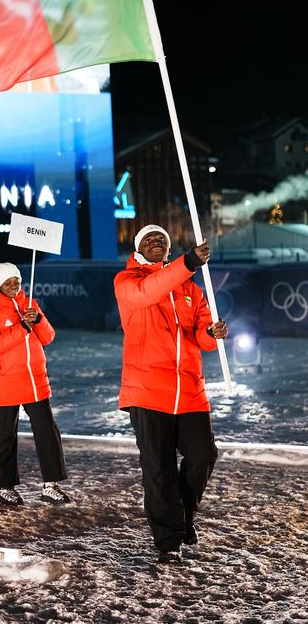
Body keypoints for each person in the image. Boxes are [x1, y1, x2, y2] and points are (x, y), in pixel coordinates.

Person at [114, 224, 229, 565]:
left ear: (168, 248)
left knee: (203, 455)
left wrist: (211, 333)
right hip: (147, 391)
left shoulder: (191, 289)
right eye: (148, 239)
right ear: (137, 248)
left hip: (189, 389)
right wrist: (187, 263)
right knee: (159, 469)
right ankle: (168, 542)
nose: (155, 243)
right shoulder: (127, 282)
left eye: (161, 240)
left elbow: (202, 338)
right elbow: (149, 291)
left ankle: (180, 517)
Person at [0, 262, 69, 506]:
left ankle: (51, 485)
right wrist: (20, 328)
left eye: (16, 281)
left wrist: (37, 319)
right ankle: (4, 487)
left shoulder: (31, 304)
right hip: (5, 382)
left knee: (47, 431)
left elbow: (48, 337)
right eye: (8, 283)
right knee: (6, 434)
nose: (14, 286)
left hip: (35, 380)